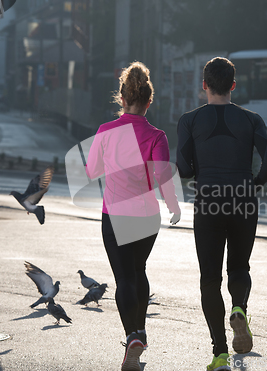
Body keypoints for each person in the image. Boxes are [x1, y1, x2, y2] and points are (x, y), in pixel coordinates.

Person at [176, 57, 267, 371]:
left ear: (204, 85)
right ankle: (240, 309)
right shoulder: (252, 119)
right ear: (233, 85)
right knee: (239, 266)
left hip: (208, 201)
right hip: (244, 199)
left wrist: (198, 171)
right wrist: (254, 183)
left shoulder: (189, 120)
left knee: (209, 278)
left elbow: (183, 169)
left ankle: (220, 353)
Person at [85, 61, 181, 371]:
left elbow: (91, 172)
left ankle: (132, 337)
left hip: (114, 214)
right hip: (146, 216)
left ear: (122, 99)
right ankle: (139, 333)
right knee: (138, 269)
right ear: (149, 101)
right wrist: (174, 206)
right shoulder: (157, 135)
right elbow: (164, 176)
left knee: (124, 277)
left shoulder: (106, 131)